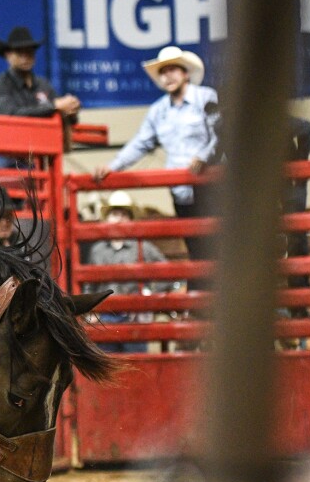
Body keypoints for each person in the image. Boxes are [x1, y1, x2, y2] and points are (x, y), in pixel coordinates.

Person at [93, 45, 220, 262]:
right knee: (196, 248)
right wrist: (112, 166)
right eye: (163, 71)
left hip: (211, 187)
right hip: (181, 191)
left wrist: (204, 157)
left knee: (217, 244)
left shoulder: (206, 97)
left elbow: (221, 134)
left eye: (173, 69)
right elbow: (140, 143)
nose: (168, 75)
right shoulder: (158, 111)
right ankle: (202, 290)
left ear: (185, 73)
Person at [88, 191, 172, 352]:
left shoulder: (143, 246)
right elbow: (89, 284)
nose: (119, 218)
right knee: (107, 367)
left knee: (137, 365)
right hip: (104, 317)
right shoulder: (97, 250)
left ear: (130, 219)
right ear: (108, 219)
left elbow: (168, 272)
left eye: (124, 214)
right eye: (114, 213)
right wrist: (90, 311)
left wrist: (148, 293)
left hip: (134, 317)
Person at [0, 25, 81, 122]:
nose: (25, 57)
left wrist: (70, 108)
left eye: (29, 52)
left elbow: (62, 110)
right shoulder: (0, 86)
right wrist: (54, 106)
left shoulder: (43, 84)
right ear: (8, 55)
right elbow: (10, 115)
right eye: (19, 52)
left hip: (45, 136)